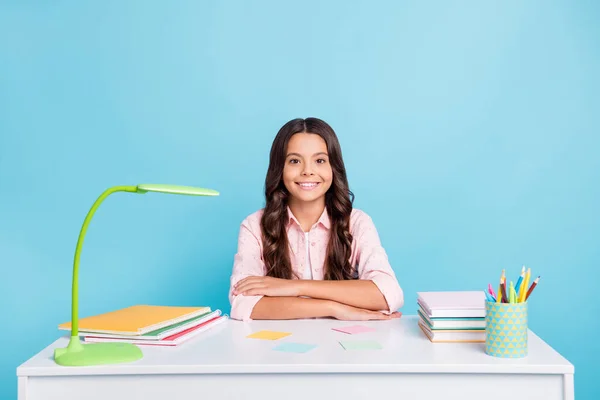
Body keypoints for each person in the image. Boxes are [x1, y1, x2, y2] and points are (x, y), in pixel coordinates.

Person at [229, 117, 403, 321]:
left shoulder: (356, 223)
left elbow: (389, 293)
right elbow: (243, 304)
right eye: (294, 161)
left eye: (320, 160)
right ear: (279, 168)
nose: (308, 171)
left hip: (344, 343)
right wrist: (333, 308)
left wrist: (294, 287)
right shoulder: (255, 226)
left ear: (333, 167)